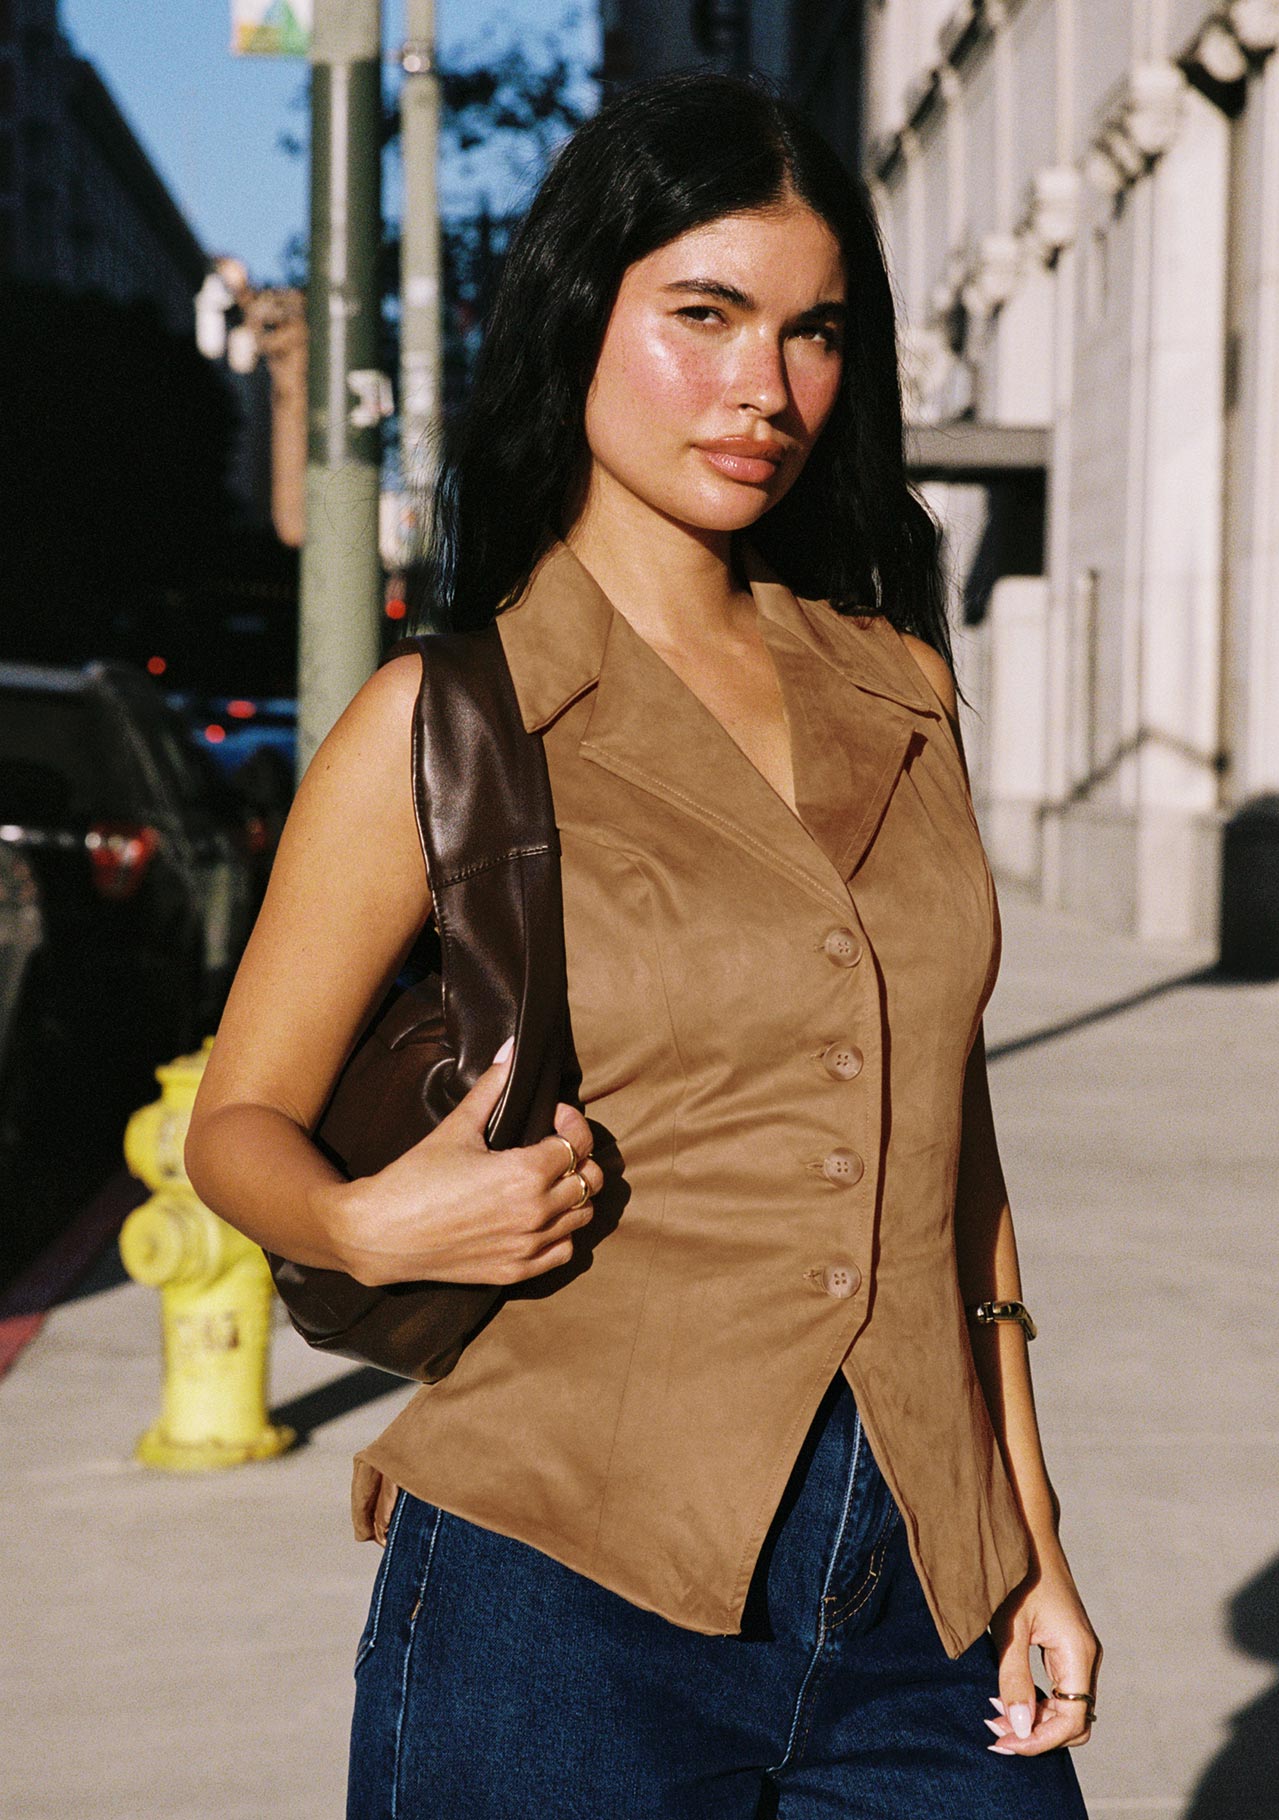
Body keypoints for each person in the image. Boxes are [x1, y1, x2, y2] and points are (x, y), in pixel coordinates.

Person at [185, 71, 1100, 1820]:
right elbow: (238, 1125)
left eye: (813, 331)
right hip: (560, 1592)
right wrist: (374, 1218)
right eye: (704, 315)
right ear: (580, 314)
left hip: (921, 1580)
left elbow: (953, 1159)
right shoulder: (449, 719)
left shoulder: (897, 690)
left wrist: (1031, 1537)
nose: (766, 387)